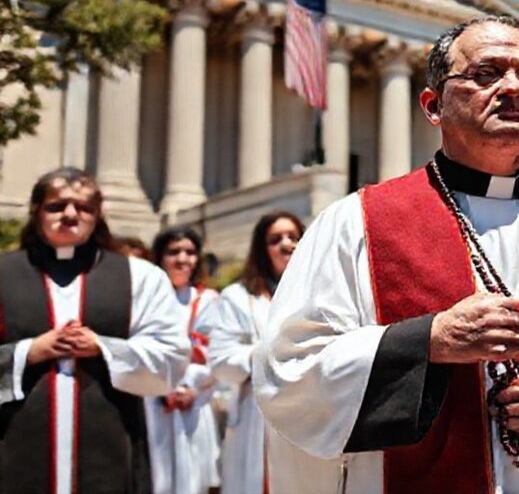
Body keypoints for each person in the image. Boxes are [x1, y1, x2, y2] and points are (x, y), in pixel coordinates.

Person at [252, 15, 519, 493]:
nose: (514, 88)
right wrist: (426, 341)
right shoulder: (356, 225)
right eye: (487, 73)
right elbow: (289, 367)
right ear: (433, 106)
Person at [0, 167, 189, 492]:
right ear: (36, 211)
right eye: (56, 206)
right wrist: (28, 353)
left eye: (84, 207)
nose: (70, 214)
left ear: (98, 215)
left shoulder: (140, 277)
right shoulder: (3, 273)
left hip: (112, 451)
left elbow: (171, 358)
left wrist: (104, 348)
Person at [205, 211, 304, 494]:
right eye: (276, 239)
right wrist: (269, 353)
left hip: (307, 409)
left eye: (294, 237)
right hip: (255, 416)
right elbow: (221, 360)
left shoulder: (321, 293)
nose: (287, 244)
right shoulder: (237, 298)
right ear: (262, 249)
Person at [148, 227, 222, 494]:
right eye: (174, 252)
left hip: (194, 403)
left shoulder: (208, 301)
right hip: (153, 404)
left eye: (190, 252)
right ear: (160, 257)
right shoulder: (145, 298)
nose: (183, 259)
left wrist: (188, 386)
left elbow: (216, 356)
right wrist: (164, 388)